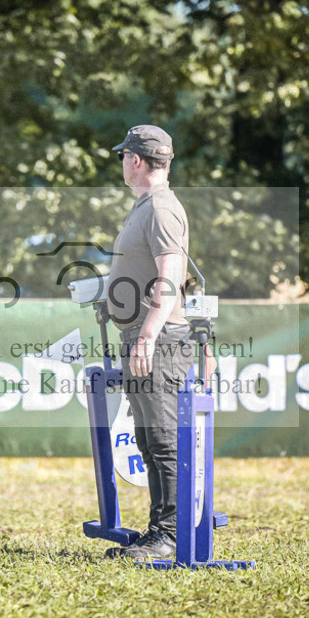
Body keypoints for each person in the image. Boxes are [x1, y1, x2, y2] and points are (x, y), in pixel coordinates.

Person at [105, 125, 192, 561]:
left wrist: (148, 334)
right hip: (144, 335)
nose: (123, 162)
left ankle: (170, 535)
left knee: (163, 440)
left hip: (158, 339)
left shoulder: (159, 207)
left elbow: (170, 273)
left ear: (136, 160)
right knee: (148, 439)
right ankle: (159, 530)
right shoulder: (147, 205)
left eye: (124, 155)